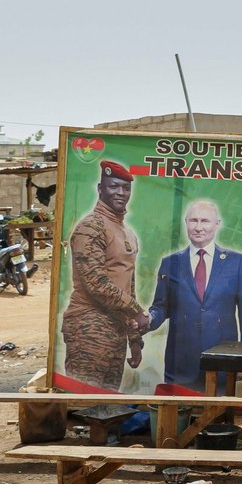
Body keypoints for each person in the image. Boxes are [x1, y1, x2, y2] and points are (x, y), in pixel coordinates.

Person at [147, 199, 242, 394]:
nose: (199, 227)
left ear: (217, 224)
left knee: (219, 420)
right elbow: (161, 306)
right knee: (178, 420)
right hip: (180, 362)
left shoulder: (236, 262)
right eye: (193, 221)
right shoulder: (170, 263)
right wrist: (148, 319)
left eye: (205, 221)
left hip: (222, 360)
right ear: (186, 223)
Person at [61, 160, 151, 392]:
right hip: (89, 325)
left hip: (116, 329)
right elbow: (96, 284)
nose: (121, 193)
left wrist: (134, 338)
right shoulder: (90, 228)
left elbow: (127, 286)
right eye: (113, 187)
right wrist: (137, 311)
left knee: (108, 407)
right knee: (83, 401)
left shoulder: (126, 232)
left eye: (125, 188)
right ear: (101, 189)